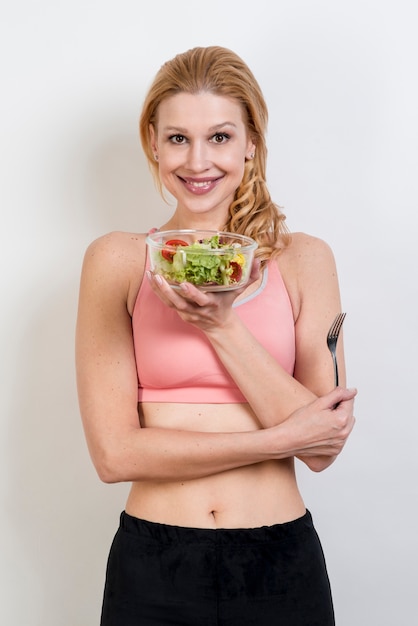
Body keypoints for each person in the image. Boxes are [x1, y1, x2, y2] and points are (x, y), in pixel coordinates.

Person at [75, 46, 356, 626]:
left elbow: (323, 448)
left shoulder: (304, 260)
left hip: (281, 563)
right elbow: (114, 454)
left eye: (220, 137)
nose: (197, 160)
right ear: (152, 141)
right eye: (177, 138)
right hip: (154, 562)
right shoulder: (118, 261)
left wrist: (223, 327)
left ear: (251, 141)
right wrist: (273, 441)